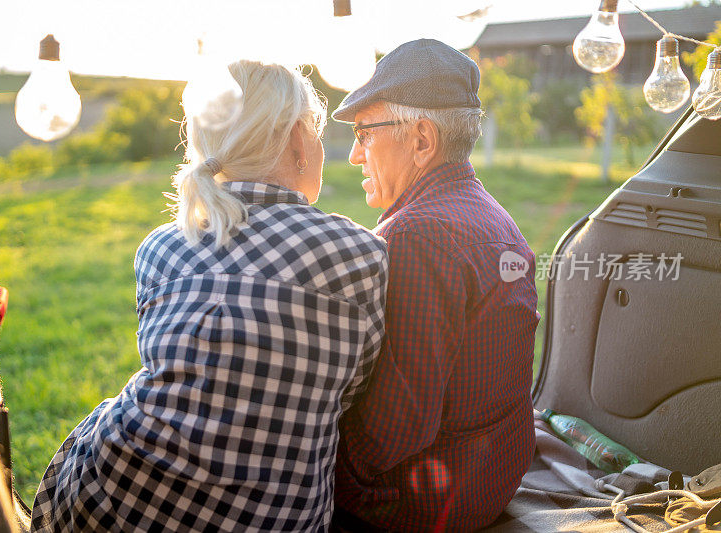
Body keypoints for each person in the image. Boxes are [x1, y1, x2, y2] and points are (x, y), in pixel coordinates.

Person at [30, 59, 388, 532]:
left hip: (112, 500)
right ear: (299, 142)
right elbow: (348, 394)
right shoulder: (360, 255)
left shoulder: (159, 246)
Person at [330, 39, 540, 532]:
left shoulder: (415, 235)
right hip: (493, 476)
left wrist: (317, 466)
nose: (355, 155)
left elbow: (397, 423)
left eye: (365, 133)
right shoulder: (492, 215)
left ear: (422, 139)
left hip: (427, 502)